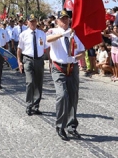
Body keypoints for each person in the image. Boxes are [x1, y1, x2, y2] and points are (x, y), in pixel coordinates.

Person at [46, 10, 86, 141]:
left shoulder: (74, 34)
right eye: (61, 19)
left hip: (72, 67)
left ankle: (71, 126)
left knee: (73, 96)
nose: (64, 21)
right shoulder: (53, 31)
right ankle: (60, 125)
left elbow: (82, 51)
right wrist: (62, 35)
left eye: (66, 19)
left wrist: (76, 56)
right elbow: (47, 40)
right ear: (57, 21)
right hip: (59, 68)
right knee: (62, 95)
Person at [17, 14, 47, 116]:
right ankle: (29, 105)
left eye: (34, 21)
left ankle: (36, 106)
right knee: (30, 82)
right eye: (31, 21)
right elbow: (19, 49)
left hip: (39, 60)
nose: (33, 23)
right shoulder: (23, 34)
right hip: (28, 60)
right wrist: (19, 62)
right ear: (27, 23)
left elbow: (46, 48)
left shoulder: (42, 34)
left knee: (38, 83)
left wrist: (50, 61)